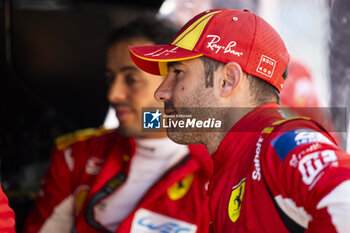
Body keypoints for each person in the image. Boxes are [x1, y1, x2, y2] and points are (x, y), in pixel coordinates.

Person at [129, 9, 350, 233]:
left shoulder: (281, 143)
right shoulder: (236, 162)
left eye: (177, 72)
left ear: (227, 80)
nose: (161, 92)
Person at [23, 15, 212, 233]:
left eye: (131, 79)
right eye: (110, 78)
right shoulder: (76, 156)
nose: (113, 94)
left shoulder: (222, 168)